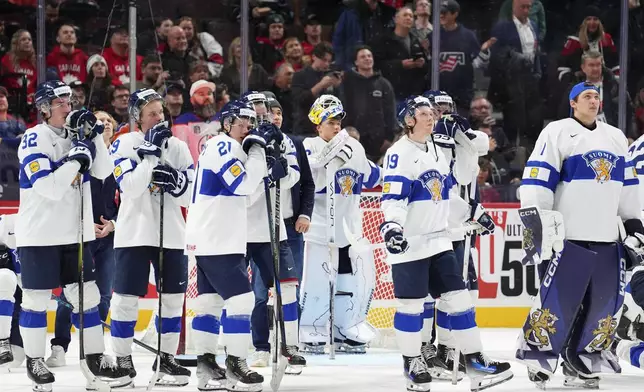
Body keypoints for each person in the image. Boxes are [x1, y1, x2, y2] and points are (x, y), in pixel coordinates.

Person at [380, 95, 512, 392]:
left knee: (459, 299)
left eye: (432, 113)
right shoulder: (399, 154)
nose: (432, 117)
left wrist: (471, 211)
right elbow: (394, 197)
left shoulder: (438, 152)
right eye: (424, 113)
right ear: (409, 120)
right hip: (410, 244)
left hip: (439, 241)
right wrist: (392, 226)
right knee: (411, 306)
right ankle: (413, 363)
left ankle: (476, 364)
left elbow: (444, 195)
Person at [516, 82, 643, 389]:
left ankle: (582, 359)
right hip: (568, 234)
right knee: (557, 301)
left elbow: (627, 187)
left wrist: (633, 223)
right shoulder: (557, 132)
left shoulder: (614, 137)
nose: (593, 101)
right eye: (586, 96)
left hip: (605, 235)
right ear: (573, 103)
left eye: (597, 96)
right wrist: (537, 223)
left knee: (601, 303)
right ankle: (539, 359)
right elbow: (537, 179)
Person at [15, 80, 130, 390]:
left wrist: (95, 139)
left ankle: (95, 357)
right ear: (43, 108)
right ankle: (35, 359)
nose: (68, 106)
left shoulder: (76, 135)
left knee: (87, 296)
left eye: (70, 101)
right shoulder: (33, 138)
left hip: (75, 233)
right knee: (37, 300)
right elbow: (49, 188)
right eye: (61, 102)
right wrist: (77, 158)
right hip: (40, 235)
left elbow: (104, 172)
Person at [184, 100, 276, 391]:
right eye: (241, 122)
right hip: (217, 238)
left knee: (209, 304)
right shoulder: (222, 146)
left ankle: (207, 368)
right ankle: (236, 363)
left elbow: (244, 196)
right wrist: (259, 153)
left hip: (217, 236)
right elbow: (244, 187)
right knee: (242, 301)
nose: (247, 127)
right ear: (226, 123)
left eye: (250, 122)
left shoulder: (229, 148)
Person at [108, 88, 193, 386]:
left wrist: (177, 182)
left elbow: (190, 195)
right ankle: (121, 359)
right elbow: (130, 187)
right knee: (126, 301)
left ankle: (166, 358)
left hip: (171, 235)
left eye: (161, 112)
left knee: (171, 301)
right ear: (137, 118)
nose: (159, 118)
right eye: (152, 114)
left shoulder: (179, 146)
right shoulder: (123, 144)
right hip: (133, 234)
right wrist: (151, 157)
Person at [420, 90, 495, 380]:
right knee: (429, 293)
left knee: (464, 291)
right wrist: (472, 212)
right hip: (437, 226)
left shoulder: (460, 137)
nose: (442, 114)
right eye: (436, 109)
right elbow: (441, 190)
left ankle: (449, 349)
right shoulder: (424, 146)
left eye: (446, 108)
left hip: (460, 226)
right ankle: (427, 348)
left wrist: (462, 133)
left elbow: (482, 147)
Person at [300, 94, 382, 354]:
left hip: (348, 231)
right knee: (317, 280)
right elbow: (307, 179)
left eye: (339, 122)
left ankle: (344, 328)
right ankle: (310, 328)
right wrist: (328, 159)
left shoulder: (353, 147)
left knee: (349, 281)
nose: (337, 127)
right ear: (318, 125)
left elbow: (372, 176)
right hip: (318, 230)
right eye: (331, 122)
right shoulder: (308, 147)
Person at [45, 110, 119, 368]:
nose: (104, 123)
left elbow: (130, 200)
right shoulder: (77, 152)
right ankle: (59, 346)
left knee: (104, 295)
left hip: (108, 237)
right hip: (78, 234)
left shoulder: (119, 159)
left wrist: (113, 224)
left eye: (109, 120)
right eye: (99, 120)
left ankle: (92, 347)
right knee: (69, 295)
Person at [240, 93, 306, 371]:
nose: (261, 115)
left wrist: (280, 172)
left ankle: (290, 345)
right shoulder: (236, 138)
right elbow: (241, 184)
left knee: (288, 287)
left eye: (264, 110)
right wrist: (265, 172)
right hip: (240, 229)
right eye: (255, 110)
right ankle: (254, 348)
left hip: (274, 229)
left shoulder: (282, 139)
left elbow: (295, 175)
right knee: (248, 294)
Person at [0, 214, 24, 369]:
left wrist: (30, 286)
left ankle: (4, 342)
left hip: (8, 291)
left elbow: (18, 263)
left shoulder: (8, 224)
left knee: (5, 278)